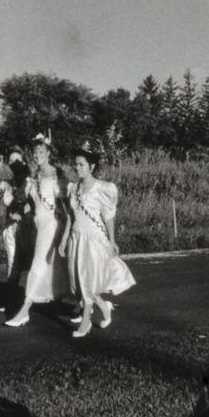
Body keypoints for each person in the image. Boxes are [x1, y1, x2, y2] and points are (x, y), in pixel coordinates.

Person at [62, 144, 135, 338]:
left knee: (88, 281)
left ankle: (85, 322)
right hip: (76, 239)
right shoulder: (72, 188)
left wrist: (112, 240)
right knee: (77, 283)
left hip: (94, 240)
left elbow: (108, 215)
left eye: (81, 164)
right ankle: (104, 308)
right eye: (75, 165)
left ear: (91, 166)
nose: (77, 168)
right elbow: (70, 216)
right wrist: (63, 241)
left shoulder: (102, 188)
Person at [4, 133, 69, 327]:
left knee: (38, 266)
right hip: (38, 226)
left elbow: (65, 205)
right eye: (35, 152)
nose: (38, 155)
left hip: (53, 227)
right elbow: (33, 205)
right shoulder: (34, 177)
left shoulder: (57, 175)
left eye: (42, 151)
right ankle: (92, 303)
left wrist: (66, 233)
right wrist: (17, 211)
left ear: (48, 153)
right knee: (62, 268)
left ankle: (24, 311)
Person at [0, 148, 33, 297]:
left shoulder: (30, 182)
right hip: (11, 226)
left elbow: (32, 203)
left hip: (26, 226)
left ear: (23, 162)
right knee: (12, 261)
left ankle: (32, 297)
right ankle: (11, 297)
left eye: (16, 160)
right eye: (11, 161)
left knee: (30, 261)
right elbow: (7, 201)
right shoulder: (9, 183)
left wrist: (20, 211)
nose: (13, 163)